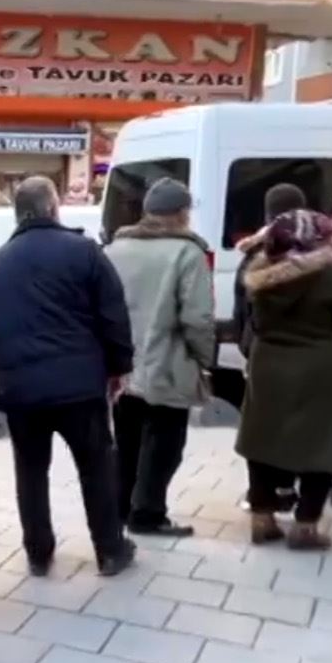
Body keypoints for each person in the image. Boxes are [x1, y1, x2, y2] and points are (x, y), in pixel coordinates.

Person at [0, 177, 135, 577]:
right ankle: (110, 549)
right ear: (54, 207)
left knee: (30, 470)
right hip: (79, 385)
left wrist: (6, 365)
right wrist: (118, 367)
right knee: (96, 465)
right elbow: (113, 316)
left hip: (20, 390)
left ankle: (38, 552)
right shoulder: (85, 253)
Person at [237, 209, 332, 549]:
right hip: (322, 367)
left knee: (263, 440)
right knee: (323, 443)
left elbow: (251, 322)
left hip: (268, 363)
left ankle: (262, 519)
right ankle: (305, 527)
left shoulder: (258, 276)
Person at [104, 178, 213, 538]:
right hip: (168, 363)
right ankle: (148, 513)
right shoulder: (188, 253)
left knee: (128, 441)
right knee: (165, 443)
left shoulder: (115, 249)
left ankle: (120, 508)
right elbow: (197, 318)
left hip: (123, 367)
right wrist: (204, 356)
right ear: (181, 213)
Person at [234, 183, 308, 361]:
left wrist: (248, 346)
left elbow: (241, 314)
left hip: (262, 355)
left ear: (267, 216)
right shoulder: (316, 255)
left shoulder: (251, 258)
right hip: (308, 357)